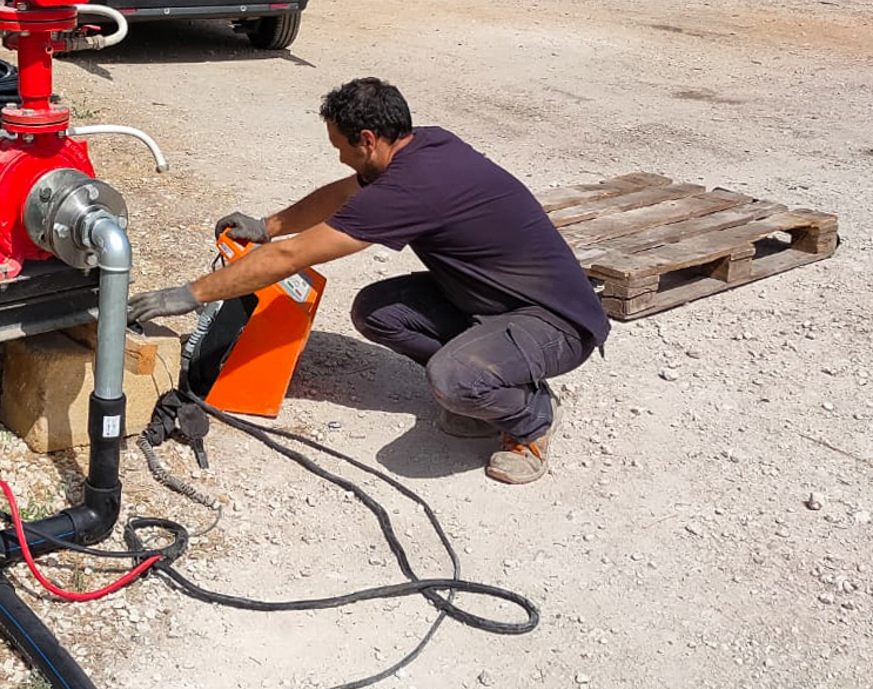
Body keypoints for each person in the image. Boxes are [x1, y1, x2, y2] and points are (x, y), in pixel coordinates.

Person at [127, 77, 609, 484]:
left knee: (453, 378)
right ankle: (489, 376)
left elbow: (293, 257)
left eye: (340, 146)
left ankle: (529, 417)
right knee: (378, 311)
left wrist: (186, 296)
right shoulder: (421, 146)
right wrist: (268, 226)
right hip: (494, 304)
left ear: (366, 139)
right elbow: (341, 195)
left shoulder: (413, 186)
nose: (340, 158)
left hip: (555, 323)